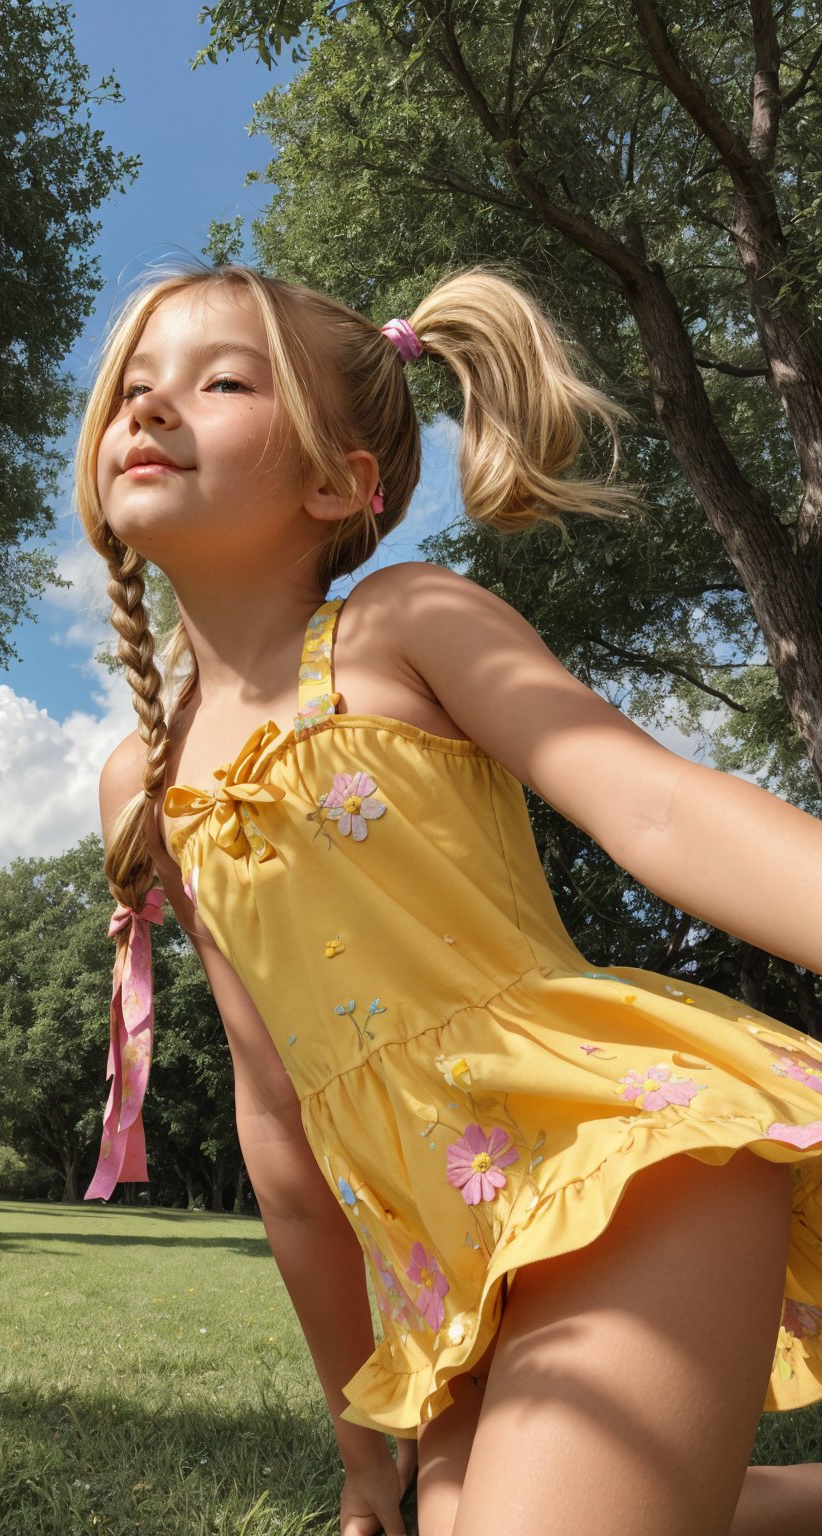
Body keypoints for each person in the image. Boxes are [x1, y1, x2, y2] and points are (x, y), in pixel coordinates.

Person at [75, 262, 822, 1536]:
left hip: (611, 1153)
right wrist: (361, 1429)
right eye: (132, 389)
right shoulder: (136, 785)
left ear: (337, 482)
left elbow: (652, 807)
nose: (149, 410)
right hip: (444, 1255)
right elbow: (279, 1119)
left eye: (222, 381)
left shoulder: (401, 625)